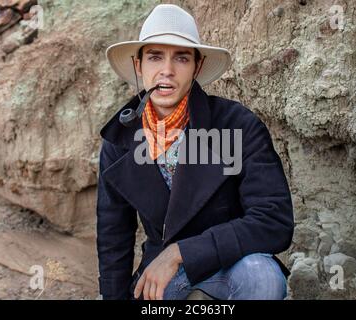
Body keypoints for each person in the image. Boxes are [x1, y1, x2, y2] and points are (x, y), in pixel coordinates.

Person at [97, 4, 294, 300]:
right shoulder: (120, 140)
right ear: (139, 65)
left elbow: (274, 219)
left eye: (181, 58)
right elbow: (114, 237)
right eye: (154, 57)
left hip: (231, 265)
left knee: (263, 277)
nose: (167, 70)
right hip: (162, 279)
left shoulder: (236, 125)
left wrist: (182, 252)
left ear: (197, 66)